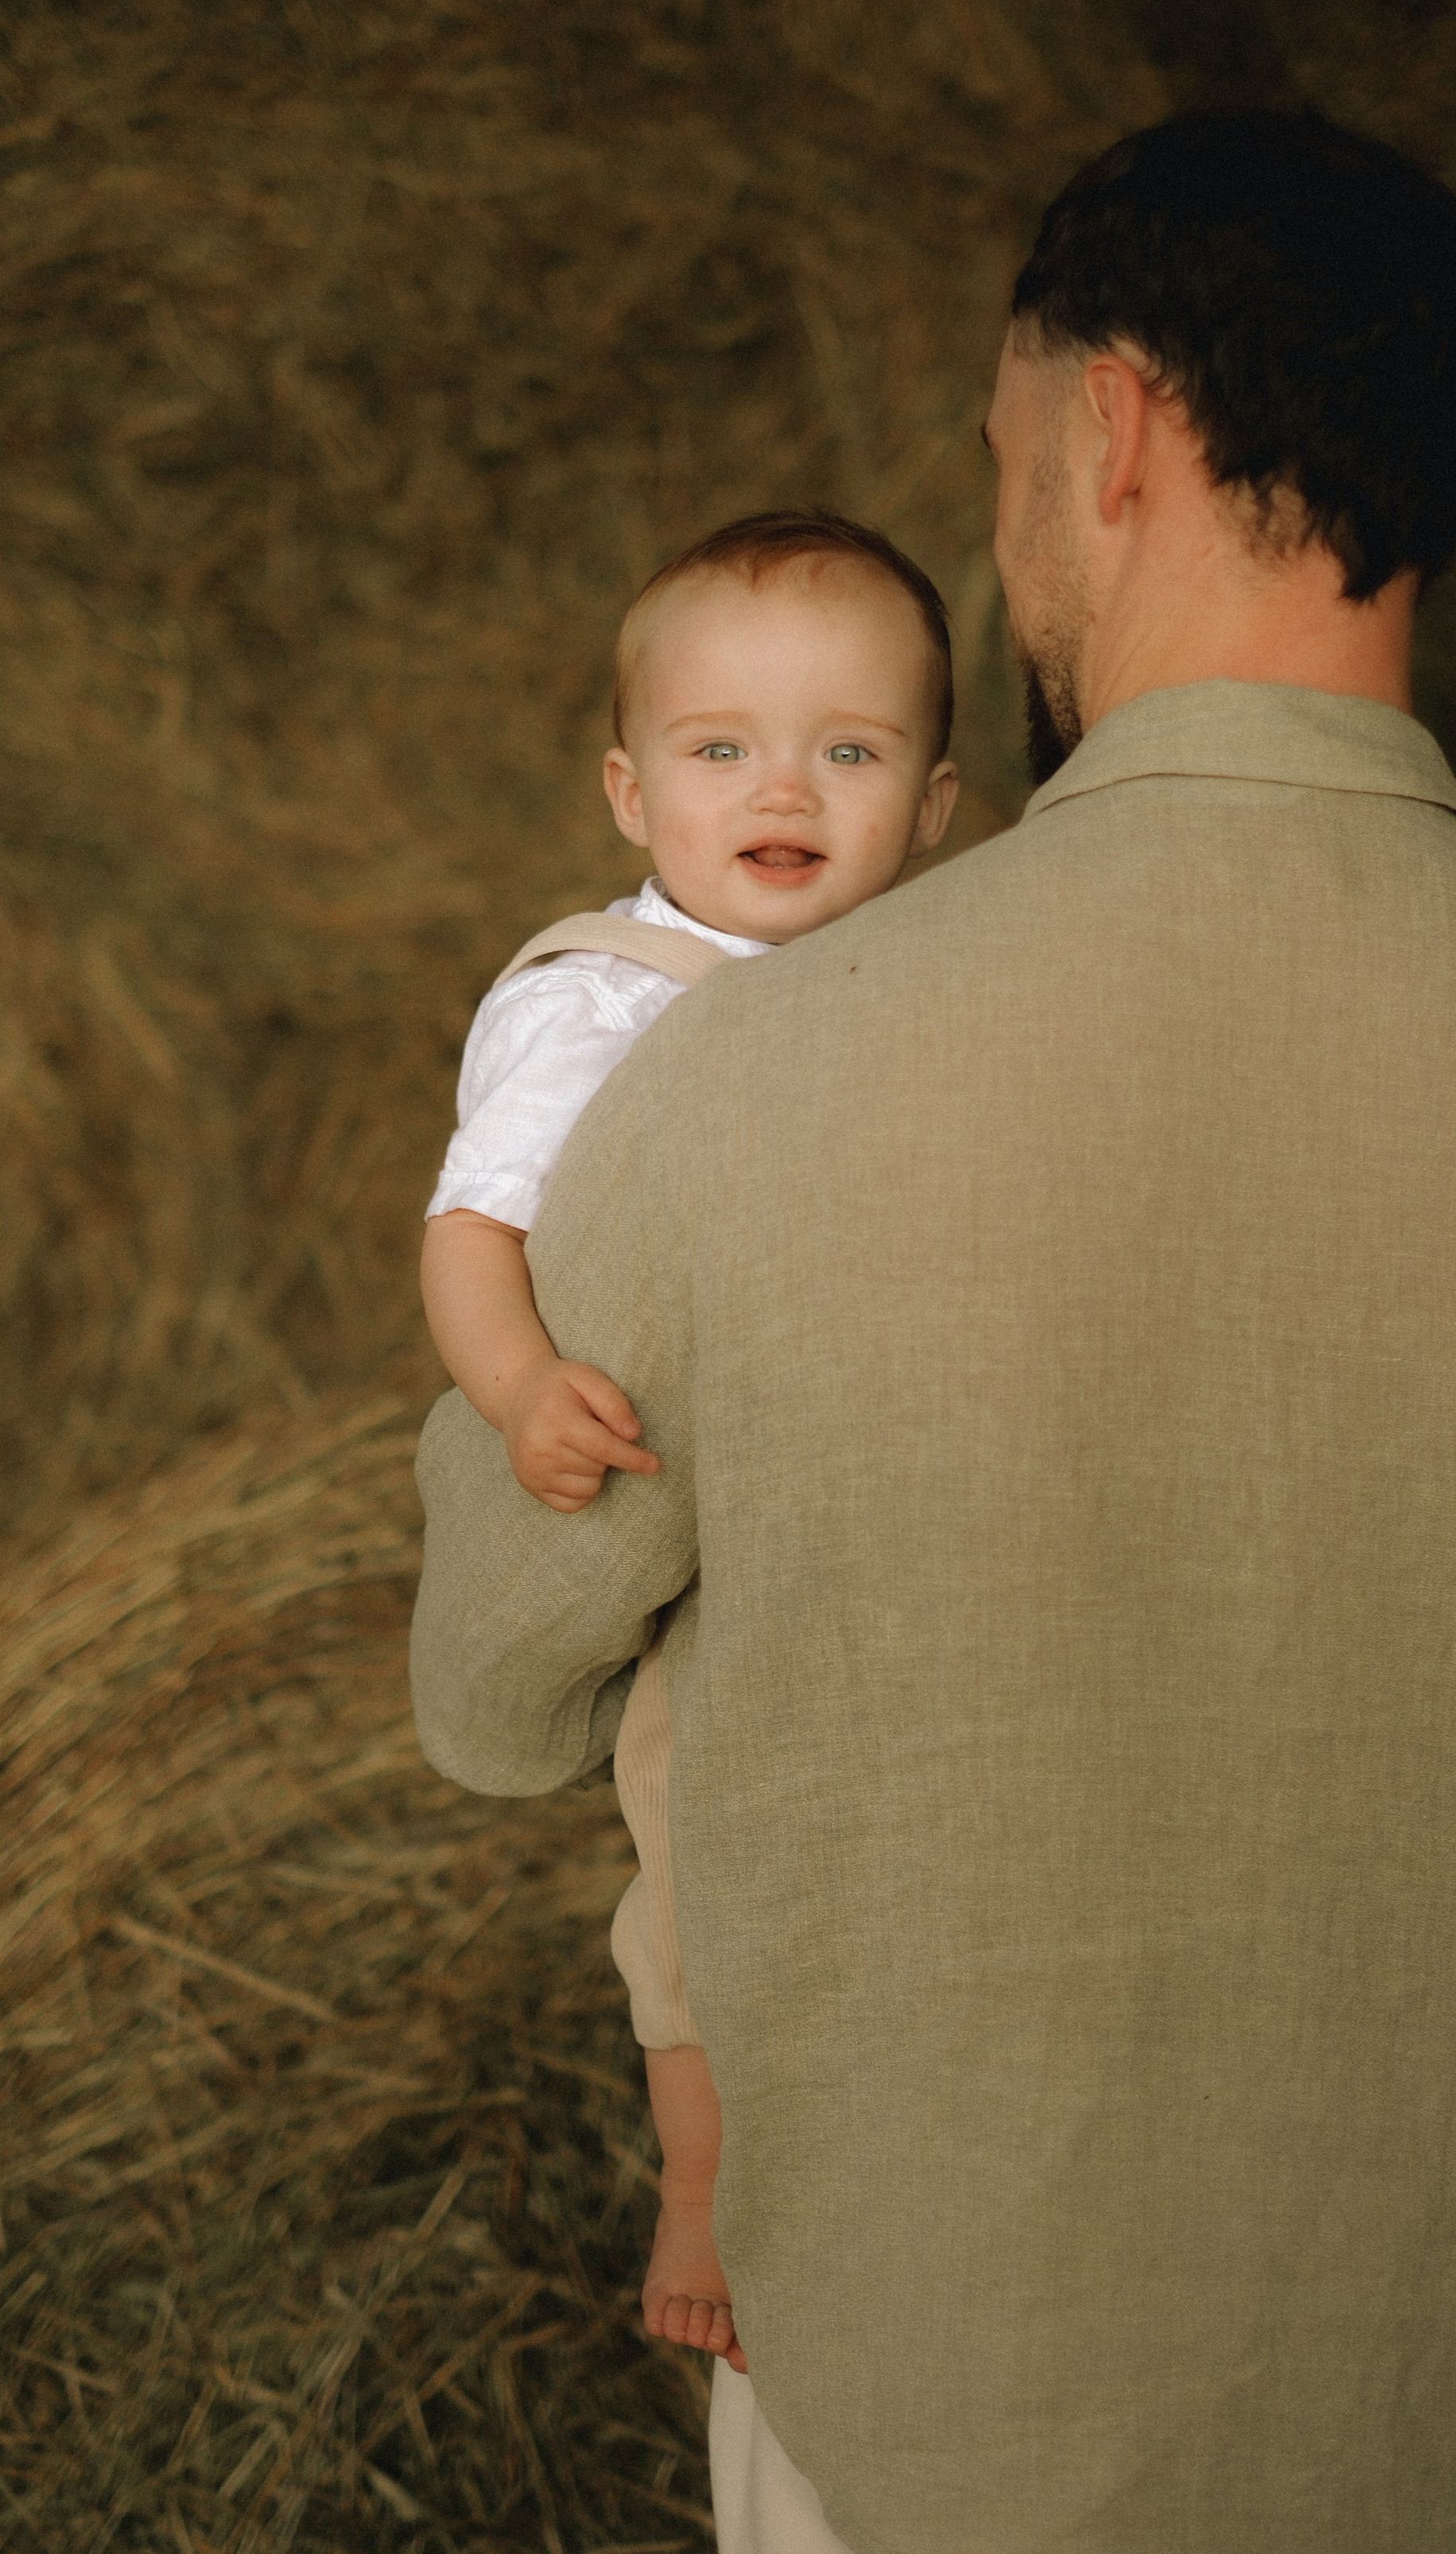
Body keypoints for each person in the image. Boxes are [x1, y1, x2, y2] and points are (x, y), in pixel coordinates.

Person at [411, 107, 1456, 2554]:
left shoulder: (732, 1078)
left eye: (999, 462)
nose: (1007, 537)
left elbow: (495, 1689)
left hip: (941, 2443)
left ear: (1110, 432)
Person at [417, 509, 958, 2368]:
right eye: (720, 749)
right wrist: (517, 1391)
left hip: (892, 1499)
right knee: (703, 1840)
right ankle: (701, 2179)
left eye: (850, 749)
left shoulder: (934, 993)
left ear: (938, 805)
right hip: (695, 1520)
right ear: (630, 795)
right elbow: (473, 1231)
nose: (782, 787)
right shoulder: (594, 1002)